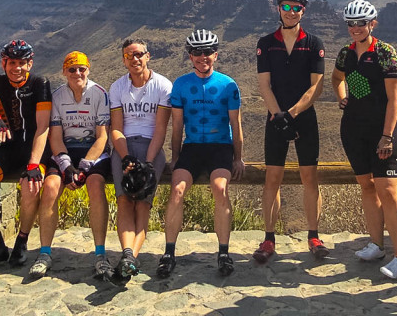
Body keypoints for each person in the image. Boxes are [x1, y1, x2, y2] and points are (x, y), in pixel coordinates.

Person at [157, 30, 245, 278]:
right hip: (193, 147)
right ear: (190, 56)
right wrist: (175, 158)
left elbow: (236, 126)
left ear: (215, 55)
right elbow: (177, 127)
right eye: (197, 52)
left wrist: (238, 157)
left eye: (207, 52)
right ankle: (169, 252)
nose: (202, 57)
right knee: (176, 190)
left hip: (220, 147)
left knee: (220, 188)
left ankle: (224, 252)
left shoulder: (228, 85)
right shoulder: (182, 85)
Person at [331, 0, 397, 279]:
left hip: (383, 131)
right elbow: (336, 78)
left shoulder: (386, 53)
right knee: (366, 186)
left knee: (388, 190)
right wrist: (342, 99)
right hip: (353, 129)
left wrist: (387, 136)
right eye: (351, 23)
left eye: (360, 23)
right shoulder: (345, 54)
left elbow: (395, 98)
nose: (355, 28)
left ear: (372, 23)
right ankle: (376, 244)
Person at [253, 0, 327, 264]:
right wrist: (277, 115)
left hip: (304, 117)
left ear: (303, 11)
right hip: (275, 118)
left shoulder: (314, 43)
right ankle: (269, 238)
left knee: (310, 178)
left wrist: (292, 114)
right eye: (286, 6)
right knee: (273, 178)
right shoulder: (265, 43)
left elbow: (316, 88)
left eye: (297, 7)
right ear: (278, 8)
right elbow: (264, 85)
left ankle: (314, 236)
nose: (291, 12)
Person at [0, 40, 51, 273]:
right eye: (12, 62)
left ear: (30, 63)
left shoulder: (40, 83)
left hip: (36, 149)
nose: (17, 67)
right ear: (4, 63)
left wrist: (34, 163)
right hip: (10, 148)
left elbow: (43, 127)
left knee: (30, 186)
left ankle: (22, 241)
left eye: (22, 63)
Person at [37, 51, 114, 281]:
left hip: (93, 151)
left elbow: (102, 137)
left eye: (82, 68)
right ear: (64, 72)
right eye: (72, 69)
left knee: (95, 185)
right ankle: (44, 253)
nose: (77, 73)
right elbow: (55, 135)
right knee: (51, 186)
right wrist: (67, 167)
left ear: (88, 69)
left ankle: (100, 253)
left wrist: (85, 166)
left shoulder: (100, 94)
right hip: (66, 151)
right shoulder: (57, 96)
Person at [108, 39, 172, 278]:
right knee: (124, 200)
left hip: (150, 148)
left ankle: (130, 256)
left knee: (143, 202)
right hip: (123, 147)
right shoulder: (117, 88)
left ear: (148, 56)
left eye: (138, 54)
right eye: (128, 56)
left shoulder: (163, 86)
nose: (134, 59)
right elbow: (116, 128)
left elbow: (160, 129)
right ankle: (127, 253)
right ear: (124, 60)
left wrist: (147, 161)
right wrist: (126, 158)